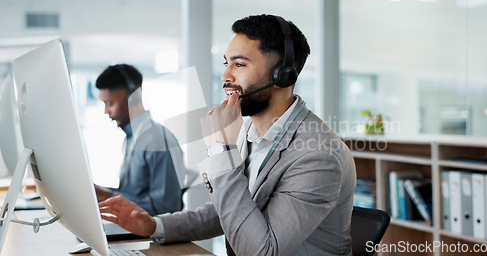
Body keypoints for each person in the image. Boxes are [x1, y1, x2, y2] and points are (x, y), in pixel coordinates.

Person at [99, 15, 356, 255]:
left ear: (282, 75)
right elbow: (230, 209)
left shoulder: (318, 154)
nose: (225, 76)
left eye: (239, 64)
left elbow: (262, 250)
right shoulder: (249, 131)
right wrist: (154, 226)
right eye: (227, 63)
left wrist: (220, 149)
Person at [94, 64, 185, 216]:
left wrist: (108, 197)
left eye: (110, 104)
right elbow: (132, 194)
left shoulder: (157, 140)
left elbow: (166, 208)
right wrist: (98, 192)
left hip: (151, 236)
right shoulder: (130, 139)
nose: (106, 112)